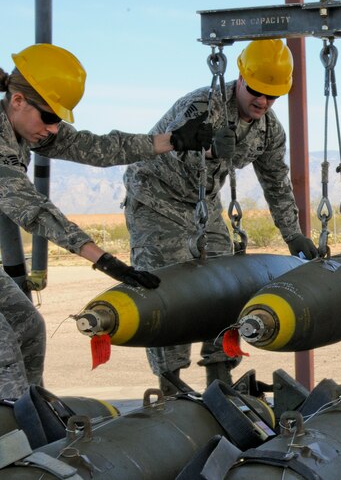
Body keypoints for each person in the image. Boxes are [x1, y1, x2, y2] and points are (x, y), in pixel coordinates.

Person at [0, 43, 208, 398]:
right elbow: (33, 209)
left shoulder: (23, 126)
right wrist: (105, 261)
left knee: (27, 325)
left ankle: (29, 419)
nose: (52, 129)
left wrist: (172, 140)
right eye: (49, 118)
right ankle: (13, 435)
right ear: (17, 101)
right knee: (4, 351)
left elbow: (99, 147)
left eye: (57, 120)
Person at [123, 39, 318, 393]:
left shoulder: (269, 130)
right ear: (241, 78)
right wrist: (210, 150)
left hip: (202, 204)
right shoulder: (201, 106)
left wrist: (294, 235)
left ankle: (220, 378)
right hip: (155, 199)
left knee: (226, 286)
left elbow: (276, 181)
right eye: (257, 91)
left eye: (272, 96)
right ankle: (172, 387)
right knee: (167, 291)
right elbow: (175, 152)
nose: (262, 102)